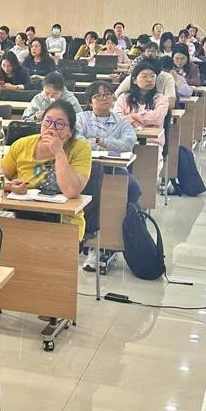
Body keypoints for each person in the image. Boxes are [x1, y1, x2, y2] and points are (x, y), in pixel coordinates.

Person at [1, 99, 91, 238]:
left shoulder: (81, 149)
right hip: (20, 216)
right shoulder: (21, 145)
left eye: (59, 124)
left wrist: (59, 153)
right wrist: (10, 186)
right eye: (47, 122)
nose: (51, 128)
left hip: (63, 222)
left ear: (70, 131)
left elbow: (71, 191)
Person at [75, 80, 140, 273]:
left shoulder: (121, 121)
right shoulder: (81, 118)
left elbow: (129, 143)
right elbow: (77, 141)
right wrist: (109, 144)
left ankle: (114, 238)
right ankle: (91, 242)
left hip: (114, 169)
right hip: (85, 168)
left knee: (133, 189)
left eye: (108, 95)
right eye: (98, 95)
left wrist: (100, 141)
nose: (104, 98)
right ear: (90, 101)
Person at [113, 62, 169, 172]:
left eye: (152, 76)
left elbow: (156, 118)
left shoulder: (161, 99)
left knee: (146, 169)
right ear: (134, 80)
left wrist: (133, 116)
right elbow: (117, 119)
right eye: (144, 76)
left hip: (151, 143)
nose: (149, 79)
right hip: (124, 141)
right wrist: (140, 119)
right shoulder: (124, 97)